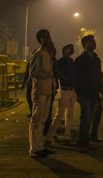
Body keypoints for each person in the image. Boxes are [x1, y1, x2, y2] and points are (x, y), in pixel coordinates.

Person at [27, 29, 57, 158]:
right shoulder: (38, 54)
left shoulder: (48, 54)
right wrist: (48, 75)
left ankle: (40, 146)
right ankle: (34, 149)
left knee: (43, 120)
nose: (48, 39)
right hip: (40, 91)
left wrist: (53, 85)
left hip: (48, 91)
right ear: (40, 39)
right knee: (37, 120)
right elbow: (33, 72)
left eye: (49, 36)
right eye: (45, 37)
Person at [74, 35, 103, 151]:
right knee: (86, 117)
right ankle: (82, 140)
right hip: (85, 93)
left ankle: (92, 136)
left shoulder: (97, 60)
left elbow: (99, 77)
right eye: (91, 42)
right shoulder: (79, 60)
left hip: (95, 93)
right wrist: (77, 94)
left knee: (95, 116)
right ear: (85, 45)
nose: (94, 43)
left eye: (94, 41)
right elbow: (76, 78)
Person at [46, 44, 76, 144]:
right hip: (64, 90)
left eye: (72, 48)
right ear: (64, 50)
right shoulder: (61, 62)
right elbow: (60, 74)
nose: (72, 50)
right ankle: (49, 137)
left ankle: (67, 136)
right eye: (69, 48)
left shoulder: (71, 61)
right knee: (59, 115)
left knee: (70, 115)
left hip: (72, 90)